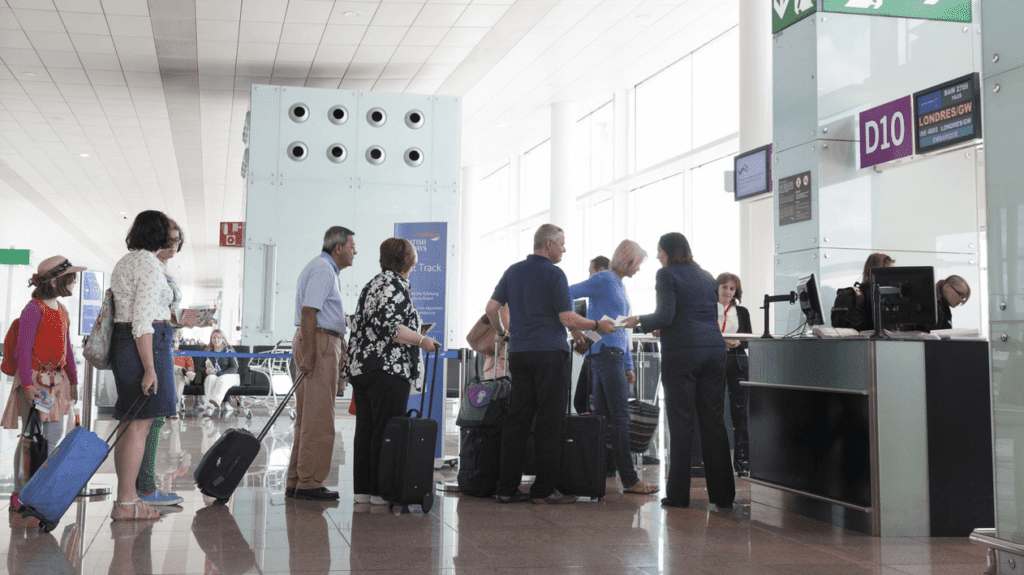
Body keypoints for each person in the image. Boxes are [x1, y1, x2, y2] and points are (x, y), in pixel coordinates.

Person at [487, 223, 616, 505]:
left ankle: (506, 488)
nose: (564, 249)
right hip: (549, 354)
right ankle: (543, 490)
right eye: (562, 243)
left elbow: (491, 309)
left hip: (519, 354)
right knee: (550, 421)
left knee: (517, 419)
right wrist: (596, 325)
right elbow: (566, 317)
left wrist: (501, 333)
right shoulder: (555, 274)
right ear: (548, 245)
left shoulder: (513, 271)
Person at [624, 232, 735, 509]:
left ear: (669, 251)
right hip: (713, 351)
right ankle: (723, 496)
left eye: (659, 251)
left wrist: (638, 321)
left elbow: (665, 316)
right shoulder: (707, 275)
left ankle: (678, 495)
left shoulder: (667, 275)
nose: (658, 256)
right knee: (714, 422)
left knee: (682, 422)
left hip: (683, 354)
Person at [344, 237, 439, 505]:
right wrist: (422, 340)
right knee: (385, 430)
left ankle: (363, 491)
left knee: (366, 429)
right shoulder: (394, 285)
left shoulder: (372, 284)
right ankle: (380, 492)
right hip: (387, 368)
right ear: (409, 260)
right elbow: (391, 328)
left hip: (363, 367)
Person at [569, 240, 658, 495]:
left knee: (608, 418)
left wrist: (628, 364)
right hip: (605, 354)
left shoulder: (617, 284)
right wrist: (574, 326)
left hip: (612, 354)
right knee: (620, 418)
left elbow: (620, 329)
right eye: (638, 264)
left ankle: (604, 471)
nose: (638, 270)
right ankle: (630, 480)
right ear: (628, 261)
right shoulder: (605, 279)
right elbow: (565, 291)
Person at [108, 210, 180, 521]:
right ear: (156, 231)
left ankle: (126, 497)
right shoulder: (150, 266)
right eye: (166, 229)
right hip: (145, 347)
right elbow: (143, 322)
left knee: (127, 425)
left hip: (124, 345)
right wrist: (150, 368)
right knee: (140, 426)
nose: (170, 236)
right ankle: (127, 503)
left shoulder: (126, 262)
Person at [1, 255, 83, 520]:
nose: (74, 282)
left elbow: (67, 349)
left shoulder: (61, 310)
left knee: (53, 433)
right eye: (70, 277)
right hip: (35, 382)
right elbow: (24, 350)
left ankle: (36, 487)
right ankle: (21, 492)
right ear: (56, 280)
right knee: (31, 437)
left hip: (56, 382)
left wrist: (73, 381)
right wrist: (26, 385)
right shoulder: (33, 309)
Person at [288, 226, 356, 501]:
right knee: (319, 418)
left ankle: (298, 479)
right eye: (352, 246)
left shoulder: (324, 270)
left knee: (308, 417)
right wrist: (311, 354)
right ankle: (310, 482)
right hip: (319, 342)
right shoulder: (323, 270)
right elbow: (308, 311)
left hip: (319, 339)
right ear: (337, 247)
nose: (355, 251)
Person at [716, 272, 752, 476]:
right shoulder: (710, 309)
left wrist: (739, 342)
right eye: (724, 287)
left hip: (738, 362)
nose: (728, 292)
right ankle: (718, 462)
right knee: (715, 412)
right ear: (717, 289)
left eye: (732, 288)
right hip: (716, 362)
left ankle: (742, 463)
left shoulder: (742, 311)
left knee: (740, 414)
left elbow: (749, 338)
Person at [201, 329, 239, 417]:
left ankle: (216, 401)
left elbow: (234, 368)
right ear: (211, 339)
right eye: (214, 337)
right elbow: (202, 367)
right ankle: (209, 408)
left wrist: (219, 374)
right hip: (215, 376)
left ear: (222, 339)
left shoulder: (229, 350)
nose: (216, 339)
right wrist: (206, 371)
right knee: (209, 378)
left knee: (222, 378)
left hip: (230, 376)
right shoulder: (209, 352)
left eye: (218, 337)